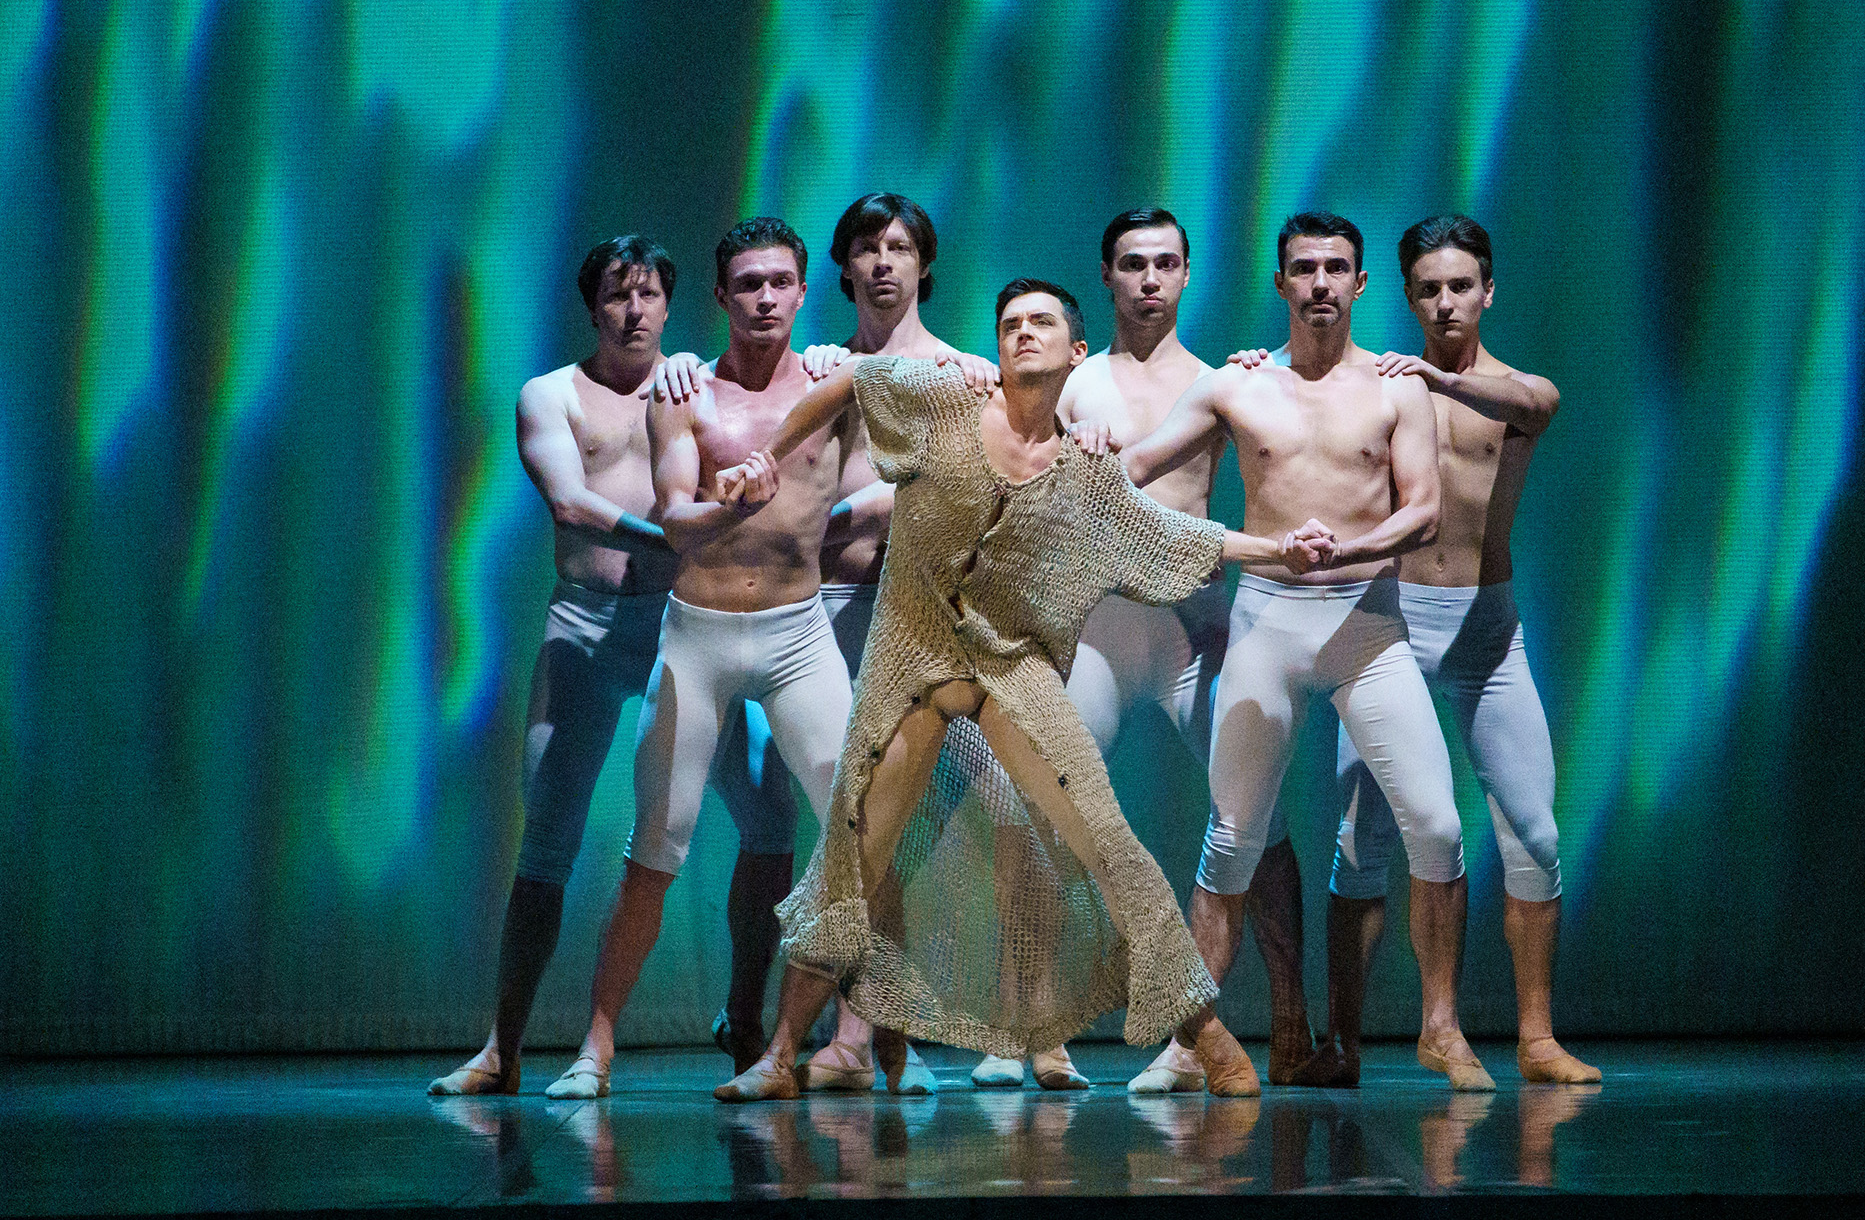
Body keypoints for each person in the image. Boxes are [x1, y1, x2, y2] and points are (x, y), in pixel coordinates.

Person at [713, 280, 1329, 1103]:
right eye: (1009, 323)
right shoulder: (945, 404)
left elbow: (1175, 534)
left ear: (1077, 352)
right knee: (851, 852)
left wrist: (1280, 550)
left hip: (1012, 667)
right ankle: (781, 1054)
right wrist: (766, 454)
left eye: (1041, 322)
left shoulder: (1084, 472)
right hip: (911, 655)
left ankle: (1207, 1035)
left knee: (1107, 842)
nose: (1023, 333)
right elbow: (851, 380)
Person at [1120, 211, 1497, 1093]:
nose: (1320, 282)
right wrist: (1107, 457)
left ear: (1360, 283)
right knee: (1231, 837)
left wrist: (1348, 549)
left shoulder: (1396, 387)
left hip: (1366, 625)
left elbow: (1423, 509)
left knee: (1438, 826)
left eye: (1335, 268)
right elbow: (1129, 470)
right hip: (1269, 624)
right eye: (1304, 268)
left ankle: (1441, 1028)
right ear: (1280, 282)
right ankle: (1188, 1044)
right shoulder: (1237, 384)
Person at [968, 208, 1313, 1094]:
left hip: (1194, 626)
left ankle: (1290, 1021)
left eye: (1164, 263)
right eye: (1132, 264)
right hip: (1100, 629)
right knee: (1036, 806)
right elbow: (1014, 452)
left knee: (1257, 820)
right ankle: (1023, 1026)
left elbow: (1305, 423)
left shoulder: (1226, 380)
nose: (1149, 279)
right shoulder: (1076, 381)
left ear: (1187, 273)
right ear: (1108, 275)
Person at [660, 193, 998, 1094]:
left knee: (882, 832)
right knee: (772, 828)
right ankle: (749, 1015)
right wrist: (680, 365)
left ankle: (868, 1037)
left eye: (900, 246)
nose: (883, 261)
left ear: (925, 263)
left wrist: (853, 507)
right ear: (841, 269)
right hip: (812, 610)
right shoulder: (819, 365)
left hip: (908, 615)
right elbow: (738, 433)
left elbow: (964, 483)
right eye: (866, 247)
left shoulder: (960, 373)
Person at [1261, 215, 1598, 1087]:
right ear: (1406, 296)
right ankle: (1346, 1041)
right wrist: (1257, 365)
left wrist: (1441, 380)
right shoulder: (1374, 384)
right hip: (1390, 622)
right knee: (1362, 842)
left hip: (1486, 628)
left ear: (1488, 291)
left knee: (1533, 833)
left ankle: (1535, 1037)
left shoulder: (1515, 392)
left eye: (1460, 286)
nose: (1445, 302)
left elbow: (1539, 404)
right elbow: (1292, 397)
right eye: (1429, 289)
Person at [540, 218, 862, 1100]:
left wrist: (967, 370)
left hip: (799, 636)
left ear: (803, 291)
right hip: (700, 635)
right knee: (655, 846)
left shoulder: (836, 383)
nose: (764, 298)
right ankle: (595, 1049)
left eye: (780, 282)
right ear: (721, 296)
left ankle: (810, 1047)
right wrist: (729, 509)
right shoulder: (684, 392)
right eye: (747, 283)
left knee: (857, 834)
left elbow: (932, 384)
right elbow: (676, 519)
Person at [430, 237, 695, 1095]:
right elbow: (570, 503)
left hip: (679, 625)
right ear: (592, 307)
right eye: (618, 294)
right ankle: (501, 1049)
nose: (634, 309)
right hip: (584, 623)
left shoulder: (693, 384)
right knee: (545, 836)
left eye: (648, 293)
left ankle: (759, 1038)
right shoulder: (550, 393)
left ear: (668, 304)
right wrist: (680, 540)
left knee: (760, 808)